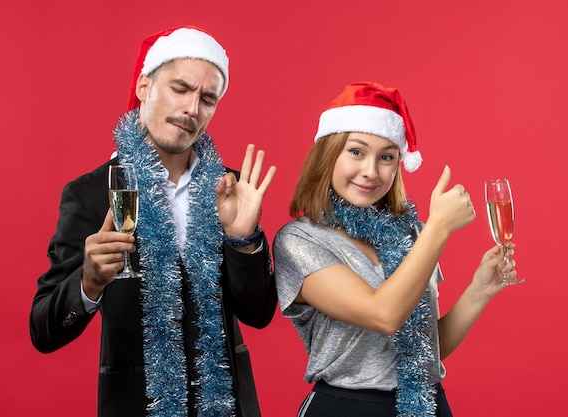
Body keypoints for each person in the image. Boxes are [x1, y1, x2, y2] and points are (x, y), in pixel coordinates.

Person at [29, 26, 278, 417]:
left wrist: (243, 240)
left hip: (230, 406)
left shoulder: (230, 189)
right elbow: (43, 331)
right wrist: (89, 282)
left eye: (207, 99)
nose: (192, 109)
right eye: (180, 89)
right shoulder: (91, 194)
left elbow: (259, 314)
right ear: (144, 87)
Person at [272, 81, 521, 417]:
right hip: (347, 408)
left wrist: (479, 290)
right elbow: (383, 315)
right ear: (328, 155)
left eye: (386, 157)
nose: (371, 171)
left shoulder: (412, 233)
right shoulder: (301, 240)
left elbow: (426, 349)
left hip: (428, 404)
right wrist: (438, 229)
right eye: (356, 151)